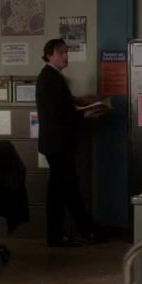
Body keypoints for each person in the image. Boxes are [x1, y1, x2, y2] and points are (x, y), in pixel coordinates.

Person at [36, 38, 109, 248]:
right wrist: (85, 114)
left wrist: (79, 100)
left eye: (66, 52)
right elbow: (58, 113)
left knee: (65, 189)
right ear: (49, 55)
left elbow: (61, 104)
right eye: (61, 53)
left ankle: (83, 231)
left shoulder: (53, 76)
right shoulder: (50, 78)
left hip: (58, 143)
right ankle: (75, 232)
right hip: (58, 143)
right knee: (64, 190)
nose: (66, 56)